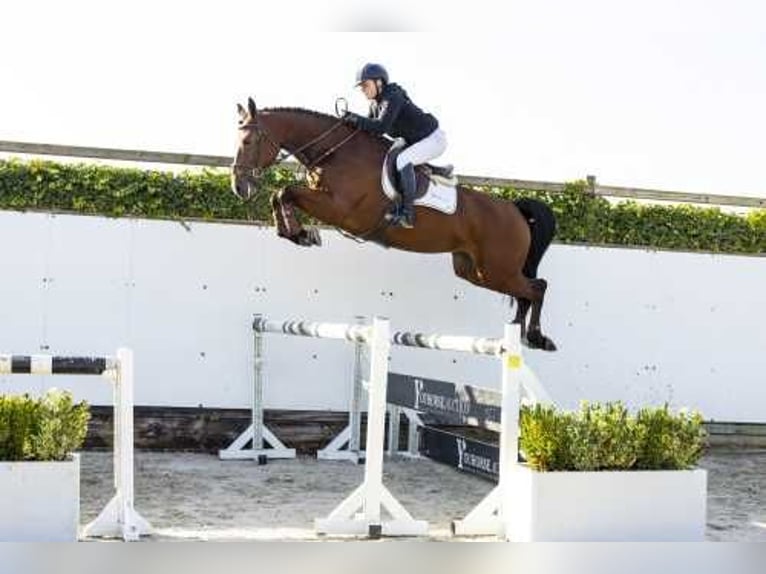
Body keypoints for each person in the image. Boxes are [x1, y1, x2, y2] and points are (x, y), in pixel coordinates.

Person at [344, 63, 447, 228]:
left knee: (402, 160)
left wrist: (355, 119)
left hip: (433, 140)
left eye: (365, 85)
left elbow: (380, 127)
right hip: (417, 141)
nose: (363, 89)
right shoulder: (375, 104)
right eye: (361, 87)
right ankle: (433, 170)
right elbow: (368, 130)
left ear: (379, 82)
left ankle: (407, 213)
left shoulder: (393, 96)